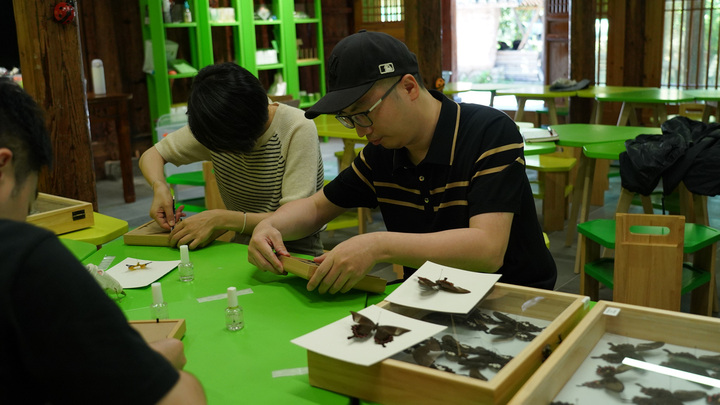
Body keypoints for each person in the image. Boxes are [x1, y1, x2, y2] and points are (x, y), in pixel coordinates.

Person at [248, 30, 557, 294]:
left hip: (510, 295)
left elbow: (487, 250)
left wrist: (377, 245)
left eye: (364, 112)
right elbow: (317, 207)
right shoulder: (381, 152)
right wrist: (270, 225)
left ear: (409, 87)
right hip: (430, 295)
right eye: (349, 118)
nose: (361, 130)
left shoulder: (490, 132)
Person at [0, 79, 206, 404]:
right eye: (31, 199)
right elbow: (181, 398)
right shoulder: (26, 256)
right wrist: (155, 364)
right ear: (3, 164)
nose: (26, 215)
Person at [140, 62, 324, 255]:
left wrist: (221, 220)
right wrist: (159, 186)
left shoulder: (296, 128)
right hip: (241, 247)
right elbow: (152, 155)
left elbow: (294, 220)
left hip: (294, 250)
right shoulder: (216, 123)